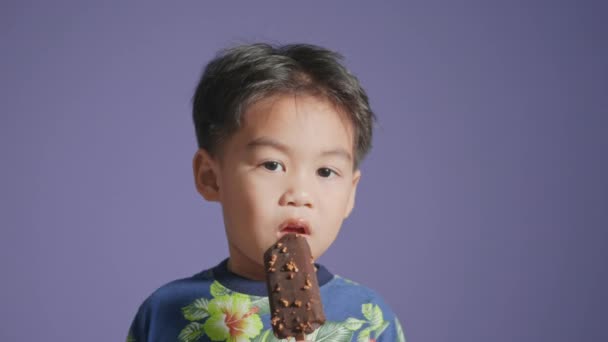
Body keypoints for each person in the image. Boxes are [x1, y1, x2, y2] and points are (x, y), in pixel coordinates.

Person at [127, 43, 406, 342]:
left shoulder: (370, 318)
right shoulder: (165, 312)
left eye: (325, 171)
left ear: (351, 193)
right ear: (210, 177)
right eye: (272, 165)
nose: (299, 194)